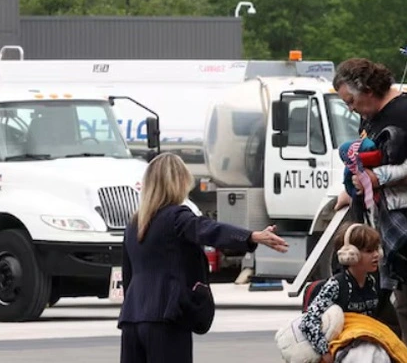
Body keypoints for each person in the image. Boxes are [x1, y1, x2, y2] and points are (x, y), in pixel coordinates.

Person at [119, 153, 288, 363]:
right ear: (178, 183)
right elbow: (209, 230)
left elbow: (128, 276)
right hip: (166, 317)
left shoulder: (133, 225)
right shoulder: (176, 216)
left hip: (132, 318)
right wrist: (251, 236)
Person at [332, 58, 407, 363]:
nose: (351, 108)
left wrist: (377, 177)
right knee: (378, 301)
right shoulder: (374, 115)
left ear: (368, 89)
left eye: (351, 100)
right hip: (382, 222)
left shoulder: (404, 111)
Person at [300, 222, 385, 363]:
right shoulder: (336, 285)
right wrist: (324, 351)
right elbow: (308, 322)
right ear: (350, 254)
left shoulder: (372, 283)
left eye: (377, 249)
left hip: (366, 344)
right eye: (370, 251)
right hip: (342, 349)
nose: (377, 255)